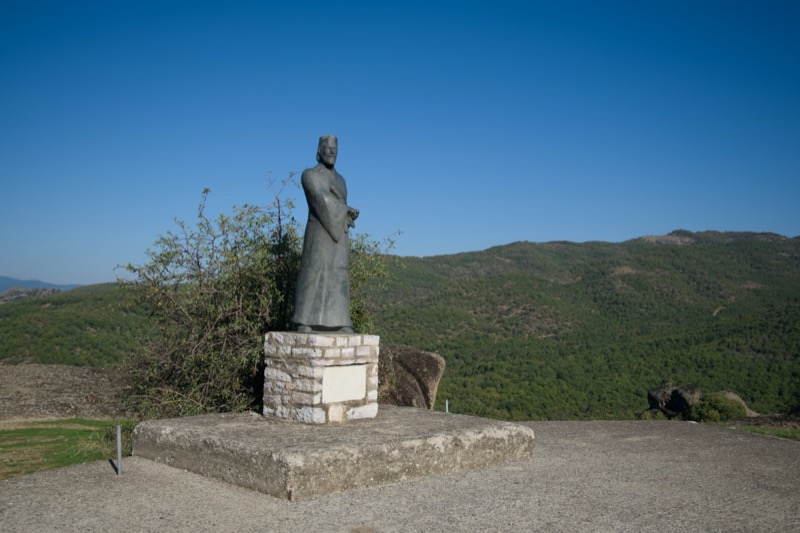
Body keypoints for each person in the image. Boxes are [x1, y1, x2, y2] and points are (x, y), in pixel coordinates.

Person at [292, 135, 359, 333]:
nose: (332, 151)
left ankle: (339, 321)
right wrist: (344, 210)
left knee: (338, 275)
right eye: (327, 148)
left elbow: (336, 200)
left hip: (339, 232)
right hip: (319, 230)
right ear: (319, 151)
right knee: (314, 271)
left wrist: (346, 211)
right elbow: (319, 199)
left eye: (334, 148)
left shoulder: (342, 180)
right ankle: (304, 320)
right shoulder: (309, 175)